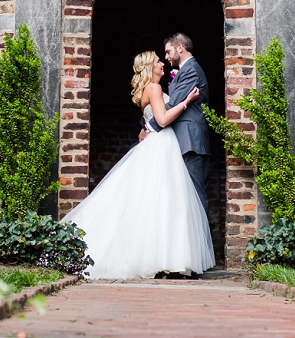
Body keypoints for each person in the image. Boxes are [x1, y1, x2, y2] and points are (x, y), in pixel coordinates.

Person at [63, 50, 215, 280]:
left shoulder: (150, 89)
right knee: (165, 202)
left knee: (158, 203)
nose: (162, 63)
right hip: (162, 146)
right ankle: (166, 261)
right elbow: (163, 120)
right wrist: (186, 102)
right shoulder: (153, 88)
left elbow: (152, 120)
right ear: (148, 67)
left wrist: (147, 127)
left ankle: (164, 260)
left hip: (160, 144)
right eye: (157, 61)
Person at [145, 33, 211, 214]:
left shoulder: (191, 70)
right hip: (184, 141)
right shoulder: (186, 69)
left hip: (191, 141)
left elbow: (172, 105)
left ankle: (200, 242)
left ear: (180, 47)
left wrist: (148, 128)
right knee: (185, 196)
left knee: (195, 196)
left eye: (168, 52)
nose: (166, 58)